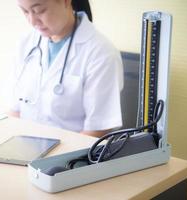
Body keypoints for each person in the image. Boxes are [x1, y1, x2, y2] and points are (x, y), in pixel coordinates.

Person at [7, 0, 123, 137]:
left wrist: (51, 157)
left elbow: (97, 129)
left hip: (72, 153)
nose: (32, 21)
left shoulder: (101, 52)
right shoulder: (26, 43)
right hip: (24, 146)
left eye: (39, 10)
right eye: (25, 12)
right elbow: (14, 110)